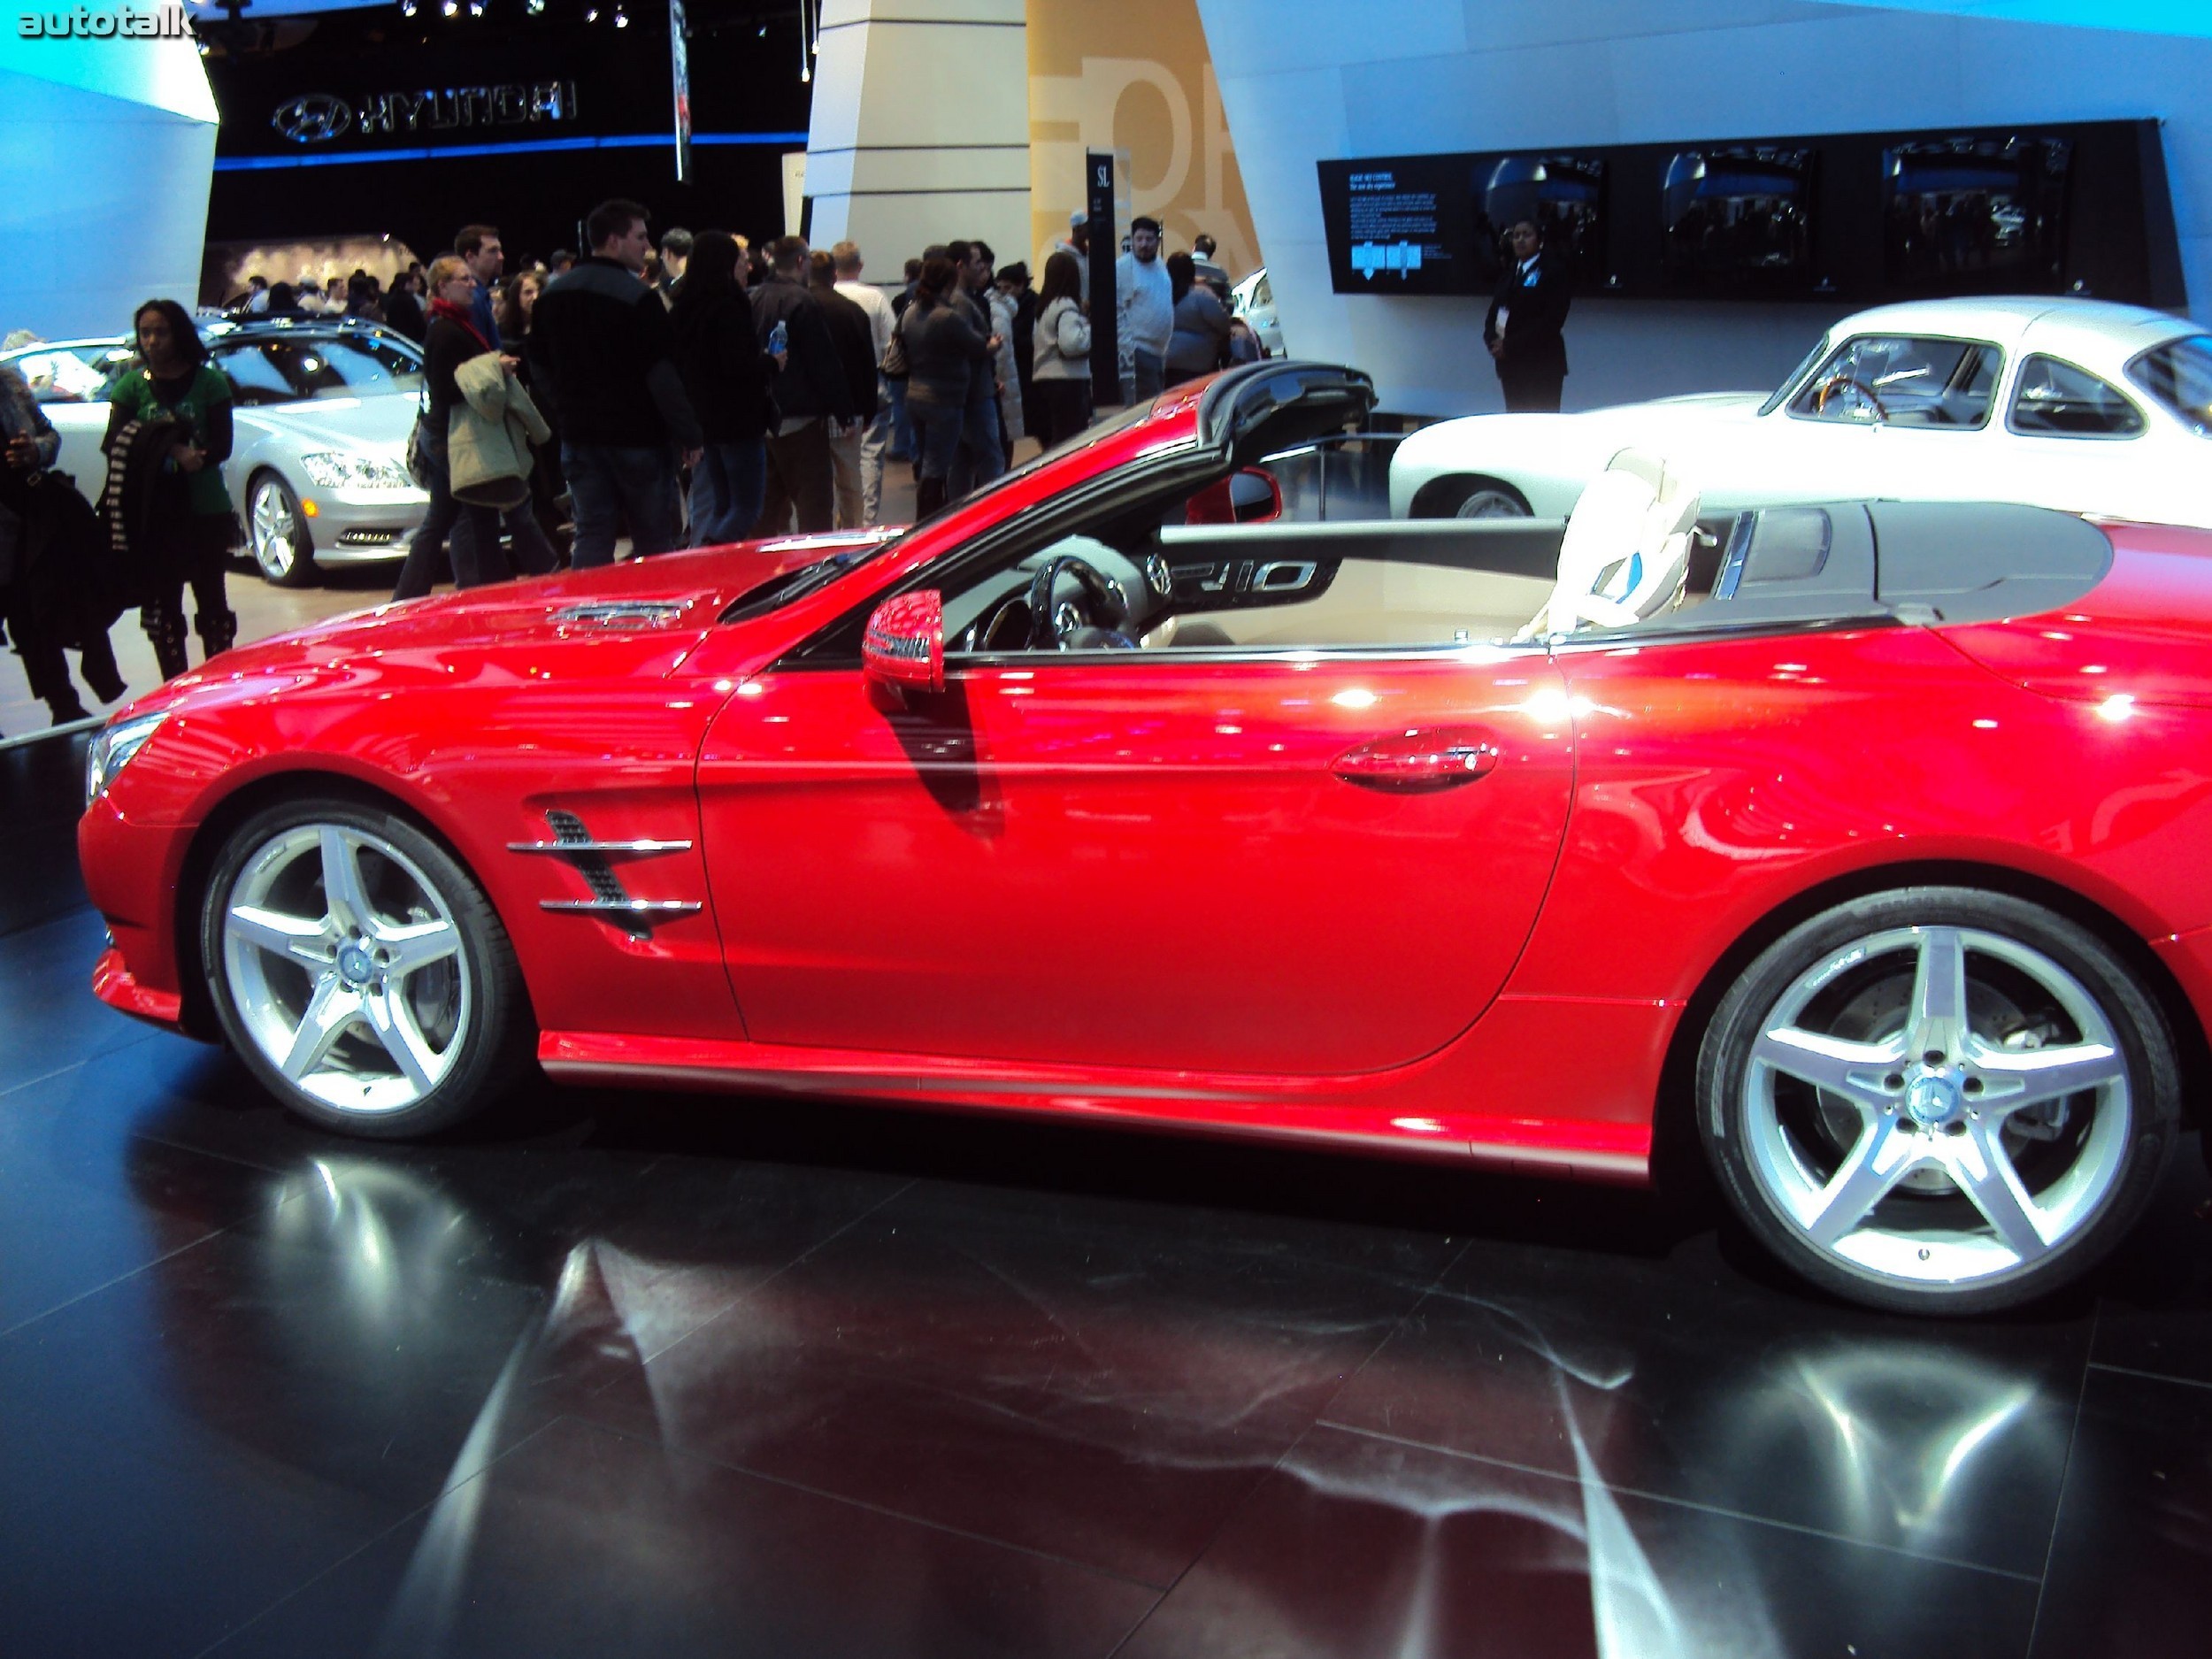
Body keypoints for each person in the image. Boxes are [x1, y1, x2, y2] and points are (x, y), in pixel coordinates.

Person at [528, 198, 703, 566]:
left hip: (580, 436)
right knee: (653, 539)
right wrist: (688, 434)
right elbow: (662, 375)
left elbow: (538, 366)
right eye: (639, 236)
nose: (647, 245)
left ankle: (587, 616)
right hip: (638, 438)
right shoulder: (639, 298)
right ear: (613, 240)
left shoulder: (551, 297)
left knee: (591, 534)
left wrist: (563, 406)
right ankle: (652, 615)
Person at [102, 299, 238, 678]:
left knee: (213, 604)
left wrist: (198, 458)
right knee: (163, 609)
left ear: (178, 333)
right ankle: (174, 688)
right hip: (155, 512)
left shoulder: (209, 382)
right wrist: (172, 449)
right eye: (145, 333)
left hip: (204, 508)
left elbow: (222, 443)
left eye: (160, 332)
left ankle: (217, 683)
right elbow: (114, 442)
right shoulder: (132, 386)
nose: (152, 341)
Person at [3, 359, 124, 724]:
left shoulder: (9, 386)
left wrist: (34, 451)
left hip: (32, 517)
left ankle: (62, 701)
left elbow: (48, 434)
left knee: (40, 610)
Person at [390, 257, 516, 600]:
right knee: (473, 514)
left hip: (449, 434)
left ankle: (415, 595)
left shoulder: (451, 323)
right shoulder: (445, 329)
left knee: (452, 516)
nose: (472, 284)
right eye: (463, 280)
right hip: (451, 436)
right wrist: (492, 370)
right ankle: (487, 590)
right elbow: (445, 388)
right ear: (442, 286)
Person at [672, 230, 776, 545]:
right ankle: (710, 551)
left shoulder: (682, 307)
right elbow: (738, 367)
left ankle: (710, 559)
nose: (747, 267)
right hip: (738, 421)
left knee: (721, 505)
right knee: (745, 508)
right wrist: (772, 363)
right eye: (740, 261)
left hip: (705, 422)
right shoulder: (729, 306)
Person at [747, 235, 852, 535]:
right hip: (801, 420)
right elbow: (823, 362)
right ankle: (816, 574)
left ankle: (760, 572)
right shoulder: (802, 301)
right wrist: (842, 410)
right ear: (800, 261)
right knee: (814, 506)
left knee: (766, 508)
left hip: (763, 419)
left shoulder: (753, 297)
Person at [901, 255, 994, 518]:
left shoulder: (910, 312)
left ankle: (926, 518)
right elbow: (978, 346)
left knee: (926, 463)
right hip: (944, 398)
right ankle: (928, 521)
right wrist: (993, 345)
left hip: (915, 394)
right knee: (937, 467)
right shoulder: (947, 317)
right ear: (950, 281)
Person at [810, 251, 879, 530]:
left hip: (808, 411)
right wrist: (867, 410)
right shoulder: (852, 311)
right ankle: (851, 534)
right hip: (849, 410)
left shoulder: (798, 306)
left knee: (812, 486)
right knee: (850, 482)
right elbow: (867, 364)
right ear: (834, 274)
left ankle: (814, 538)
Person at [831, 240, 896, 524]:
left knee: (833, 459)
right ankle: (865, 520)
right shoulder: (875, 297)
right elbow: (891, 343)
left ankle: (839, 519)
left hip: (832, 388)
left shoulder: (820, 296)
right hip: (872, 383)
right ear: (860, 265)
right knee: (870, 457)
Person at [1483, 217, 1571, 413]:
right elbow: (1494, 313)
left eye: (1526, 235)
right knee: (1516, 424)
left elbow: (1551, 321)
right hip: (1510, 366)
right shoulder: (1509, 272)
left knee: (1541, 427)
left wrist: (1509, 345)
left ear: (1539, 240)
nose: (1520, 240)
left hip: (1541, 365)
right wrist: (1492, 341)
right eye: (1516, 236)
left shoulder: (1553, 271)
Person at [943, 240, 1006, 496]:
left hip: (972, 390)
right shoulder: (960, 302)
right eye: (977, 262)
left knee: (964, 461)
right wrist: (989, 347)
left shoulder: (965, 298)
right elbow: (966, 345)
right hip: (974, 395)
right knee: (989, 459)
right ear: (961, 266)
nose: (983, 267)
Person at [1027, 250, 1092, 450]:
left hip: (1047, 379)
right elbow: (1071, 344)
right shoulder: (1066, 306)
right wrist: (1091, 328)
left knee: (1060, 437)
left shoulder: (1045, 306)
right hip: (1067, 379)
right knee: (1069, 441)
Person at [1116, 215, 1173, 400]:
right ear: (1132, 240)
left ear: (1158, 241)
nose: (1144, 244)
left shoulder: (1161, 266)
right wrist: (1127, 346)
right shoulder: (1124, 268)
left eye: (1149, 239)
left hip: (1158, 353)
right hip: (1136, 352)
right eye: (1139, 239)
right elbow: (1117, 311)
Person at [1164, 251, 1231, 385]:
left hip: (1167, 359)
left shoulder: (1161, 295)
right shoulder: (1201, 294)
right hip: (1200, 362)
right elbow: (1223, 324)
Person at [457, 224, 504, 347]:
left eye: (500, 250)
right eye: (493, 251)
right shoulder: (471, 299)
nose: (501, 257)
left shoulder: (480, 295)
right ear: (471, 257)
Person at [1042, 209, 1090, 304]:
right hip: (1072, 309)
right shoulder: (1063, 256)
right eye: (1087, 226)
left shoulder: (1089, 254)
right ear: (1077, 229)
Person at [382, 269, 426, 342]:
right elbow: (418, 322)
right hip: (410, 339)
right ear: (407, 284)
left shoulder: (393, 297)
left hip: (396, 337)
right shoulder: (409, 300)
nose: (417, 287)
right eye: (415, 284)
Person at [657, 227, 693, 300]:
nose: (661, 257)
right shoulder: (702, 281)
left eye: (662, 254)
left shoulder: (676, 290)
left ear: (667, 253)